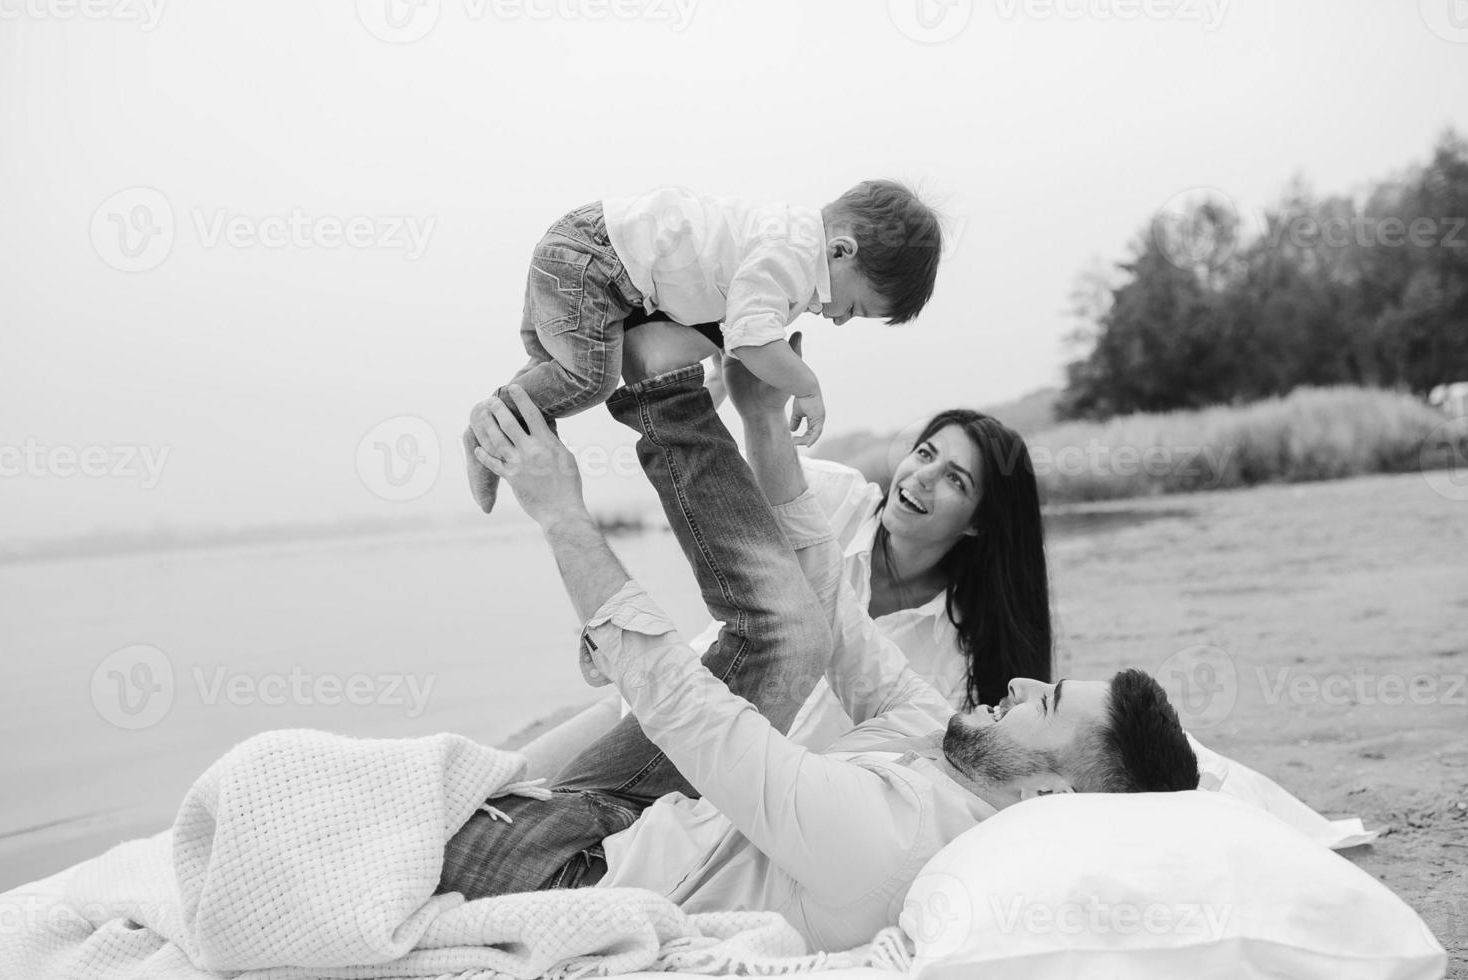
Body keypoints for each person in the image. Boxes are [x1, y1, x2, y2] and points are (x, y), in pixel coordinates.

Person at [439, 359, 1200, 951]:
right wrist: (762, 413)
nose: (1026, 681)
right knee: (801, 628)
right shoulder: (945, 744)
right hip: (646, 788)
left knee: (788, 638)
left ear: (1051, 799)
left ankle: (663, 386)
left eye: (1050, 701)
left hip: (582, 865)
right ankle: (665, 387)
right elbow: (833, 605)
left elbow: (705, 724)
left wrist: (563, 516)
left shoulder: (890, 841)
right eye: (925, 455)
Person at [520, 341, 1054, 773]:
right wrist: (702, 400)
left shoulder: (961, 657)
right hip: (664, 708)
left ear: (980, 521)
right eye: (925, 454)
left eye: (955, 480)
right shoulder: (832, 497)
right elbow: (712, 501)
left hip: (747, 795)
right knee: (503, 783)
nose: (923, 478)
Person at [465, 180, 943, 512]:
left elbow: (726, 316)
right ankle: (486, 426)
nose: (839, 320)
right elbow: (751, 336)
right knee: (588, 379)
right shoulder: (793, 258)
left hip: (583, 251)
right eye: (854, 308)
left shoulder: (782, 242)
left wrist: (718, 376)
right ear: (841, 250)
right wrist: (808, 386)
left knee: (551, 373)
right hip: (593, 259)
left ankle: (495, 434)